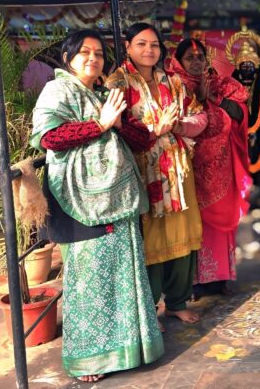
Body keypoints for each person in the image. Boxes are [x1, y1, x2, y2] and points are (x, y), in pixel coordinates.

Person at [31, 29, 162, 382]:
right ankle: (89, 359)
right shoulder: (57, 91)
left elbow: (142, 139)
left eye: (99, 53)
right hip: (80, 198)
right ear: (68, 58)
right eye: (85, 52)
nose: (93, 58)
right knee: (89, 280)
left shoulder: (105, 94)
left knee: (123, 275)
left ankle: (130, 348)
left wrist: (116, 123)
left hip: (118, 198)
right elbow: (49, 138)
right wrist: (99, 124)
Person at [105, 23, 204, 326]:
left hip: (176, 169)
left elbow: (198, 113)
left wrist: (179, 126)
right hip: (141, 171)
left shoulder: (172, 80)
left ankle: (176, 302)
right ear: (127, 46)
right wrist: (154, 130)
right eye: (141, 43)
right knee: (149, 239)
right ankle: (148, 310)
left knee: (181, 232)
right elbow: (116, 127)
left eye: (154, 45)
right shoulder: (117, 82)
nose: (149, 50)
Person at [171, 39, 252, 296]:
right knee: (193, 222)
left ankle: (220, 277)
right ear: (178, 61)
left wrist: (213, 99)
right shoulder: (173, 87)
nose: (196, 62)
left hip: (220, 167)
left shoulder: (220, 84)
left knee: (220, 224)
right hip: (189, 167)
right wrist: (199, 101)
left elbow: (240, 114)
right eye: (189, 58)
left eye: (200, 57)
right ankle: (194, 282)